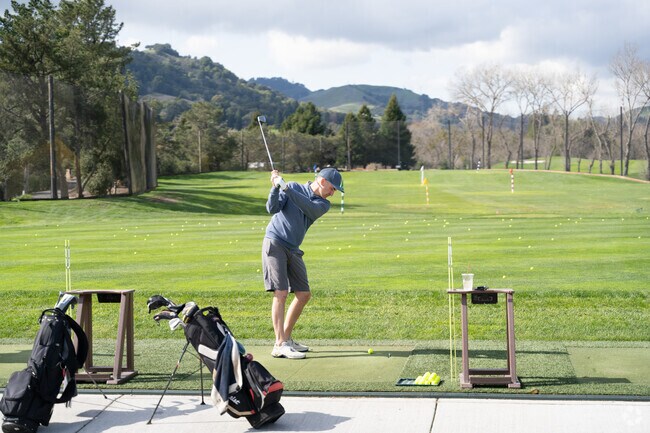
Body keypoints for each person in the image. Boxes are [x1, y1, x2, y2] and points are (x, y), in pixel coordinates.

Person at [262, 167, 344, 359]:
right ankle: (279, 343)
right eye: (333, 188)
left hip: (293, 248)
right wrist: (275, 187)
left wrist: (286, 189)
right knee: (280, 293)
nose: (333, 193)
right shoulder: (291, 187)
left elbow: (308, 207)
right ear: (322, 181)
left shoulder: (322, 204)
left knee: (303, 294)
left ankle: (286, 338)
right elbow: (271, 209)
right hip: (275, 242)